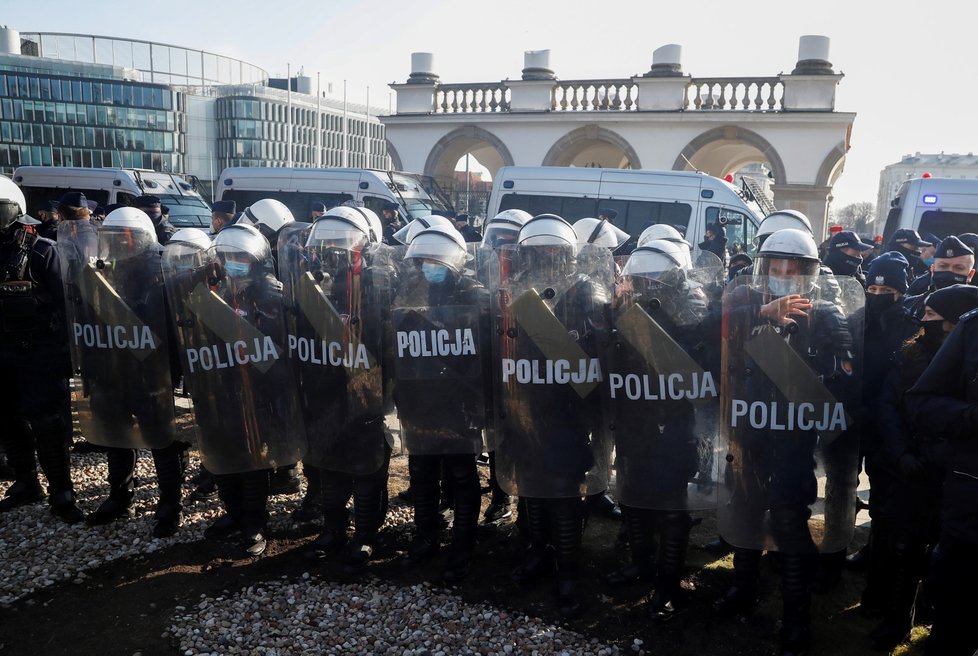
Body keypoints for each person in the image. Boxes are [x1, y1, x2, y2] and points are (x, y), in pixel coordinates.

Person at [715, 228, 861, 656]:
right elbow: (707, 333)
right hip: (745, 434)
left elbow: (847, 381)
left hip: (792, 441)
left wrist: (817, 371)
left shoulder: (828, 314)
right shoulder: (743, 302)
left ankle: (797, 621)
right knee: (743, 513)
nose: (782, 275)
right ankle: (743, 592)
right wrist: (760, 313)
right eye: (775, 268)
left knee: (789, 525)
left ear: (807, 273)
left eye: (791, 269)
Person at [492, 213, 613, 617]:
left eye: (553, 252)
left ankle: (568, 573)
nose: (545, 259)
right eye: (536, 253)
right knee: (533, 493)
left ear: (568, 255)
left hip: (569, 416)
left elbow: (600, 361)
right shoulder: (513, 292)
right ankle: (537, 555)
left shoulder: (586, 294)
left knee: (564, 497)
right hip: (527, 410)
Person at [164, 223, 305, 557]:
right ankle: (233, 512)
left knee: (252, 458)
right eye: (227, 256)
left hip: (256, 392)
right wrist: (202, 276)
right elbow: (175, 292)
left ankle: (255, 522)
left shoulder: (270, 292)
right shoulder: (215, 288)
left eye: (239, 256)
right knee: (222, 454)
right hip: (219, 386)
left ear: (255, 259)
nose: (233, 262)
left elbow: (278, 344)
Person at [604, 241, 719, 620]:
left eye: (656, 277)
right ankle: (641, 565)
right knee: (634, 499)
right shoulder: (624, 307)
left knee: (671, 508)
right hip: (636, 420)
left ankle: (668, 584)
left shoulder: (695, 308)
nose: (647, 284)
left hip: (677, 425)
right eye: (642, 278)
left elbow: (704, 349)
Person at [69, 207, 188, 537]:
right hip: (113, 368)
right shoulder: (107, 270)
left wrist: (172, 378)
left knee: (161, 439)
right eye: (109, 238)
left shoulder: (160, 273)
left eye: (119, 237)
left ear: (135, 238)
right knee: (116, 436)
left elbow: (174, 335)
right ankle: (120, 496)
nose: (115, 243)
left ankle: (170, 505)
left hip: (152, 373)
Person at [872, 284, 978, 651]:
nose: (924, 321)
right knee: (905, 548)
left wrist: (945, 455)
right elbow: (891, 406)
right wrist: (903, 454)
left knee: (948, 560)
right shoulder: (910, 355)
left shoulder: (965, 358)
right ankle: (897, 618)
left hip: (953, 474)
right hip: (914, 469)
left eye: (933, 316)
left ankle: (935, 620)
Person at [392, 225, 490, 581]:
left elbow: (481, 348)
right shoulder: (416, 290)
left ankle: (463, 542)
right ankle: (425, 535)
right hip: (422, 399)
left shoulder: (475, 294)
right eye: (423, 261)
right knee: (422, 471)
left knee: (462, 474)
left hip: (458, 400)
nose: (428, 267)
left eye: (435, 260)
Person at [0, 181, 83, 523]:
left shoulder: (42, 250)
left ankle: (62, 491)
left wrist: (68, 357)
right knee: (7, 421)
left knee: (48, 425)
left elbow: (68, 309)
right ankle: (26, 482)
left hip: (39, 355)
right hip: (2, 356)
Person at [905, 294, 978, 656]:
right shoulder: (972, 328)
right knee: (955, 619)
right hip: (970, 508)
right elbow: (922, 402)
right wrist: (971, 417)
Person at [905, 235, 975, 299]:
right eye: (943, 266)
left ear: (970, 275)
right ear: (932, 269)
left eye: (958, 268)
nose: (949, 272)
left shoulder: (974, 308)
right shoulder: (913, 306)